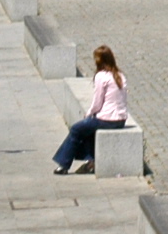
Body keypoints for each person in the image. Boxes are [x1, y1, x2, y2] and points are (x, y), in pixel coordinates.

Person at [54, 45, 129, 175]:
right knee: (88, 129)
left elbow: (97, 103)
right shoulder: (120, 75)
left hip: (107, 119)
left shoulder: (101, 76)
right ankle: (91, 162)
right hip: (121, 120)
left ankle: (63, 164)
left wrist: (89, 113)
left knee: (76, 129)